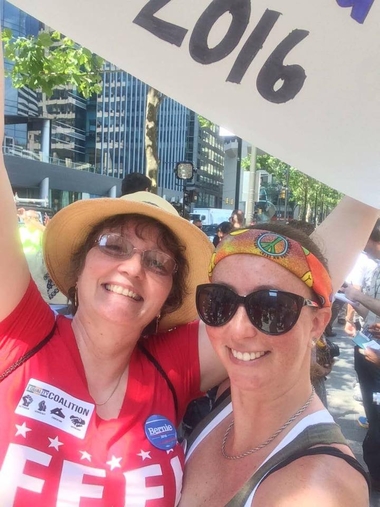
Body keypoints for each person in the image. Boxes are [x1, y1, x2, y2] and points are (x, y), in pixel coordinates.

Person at [181, 225, 370, 506]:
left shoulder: (320, 490)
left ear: (317, 323)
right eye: (220, 302)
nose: (238, 329)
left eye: (272, 308)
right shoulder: (226, 396)